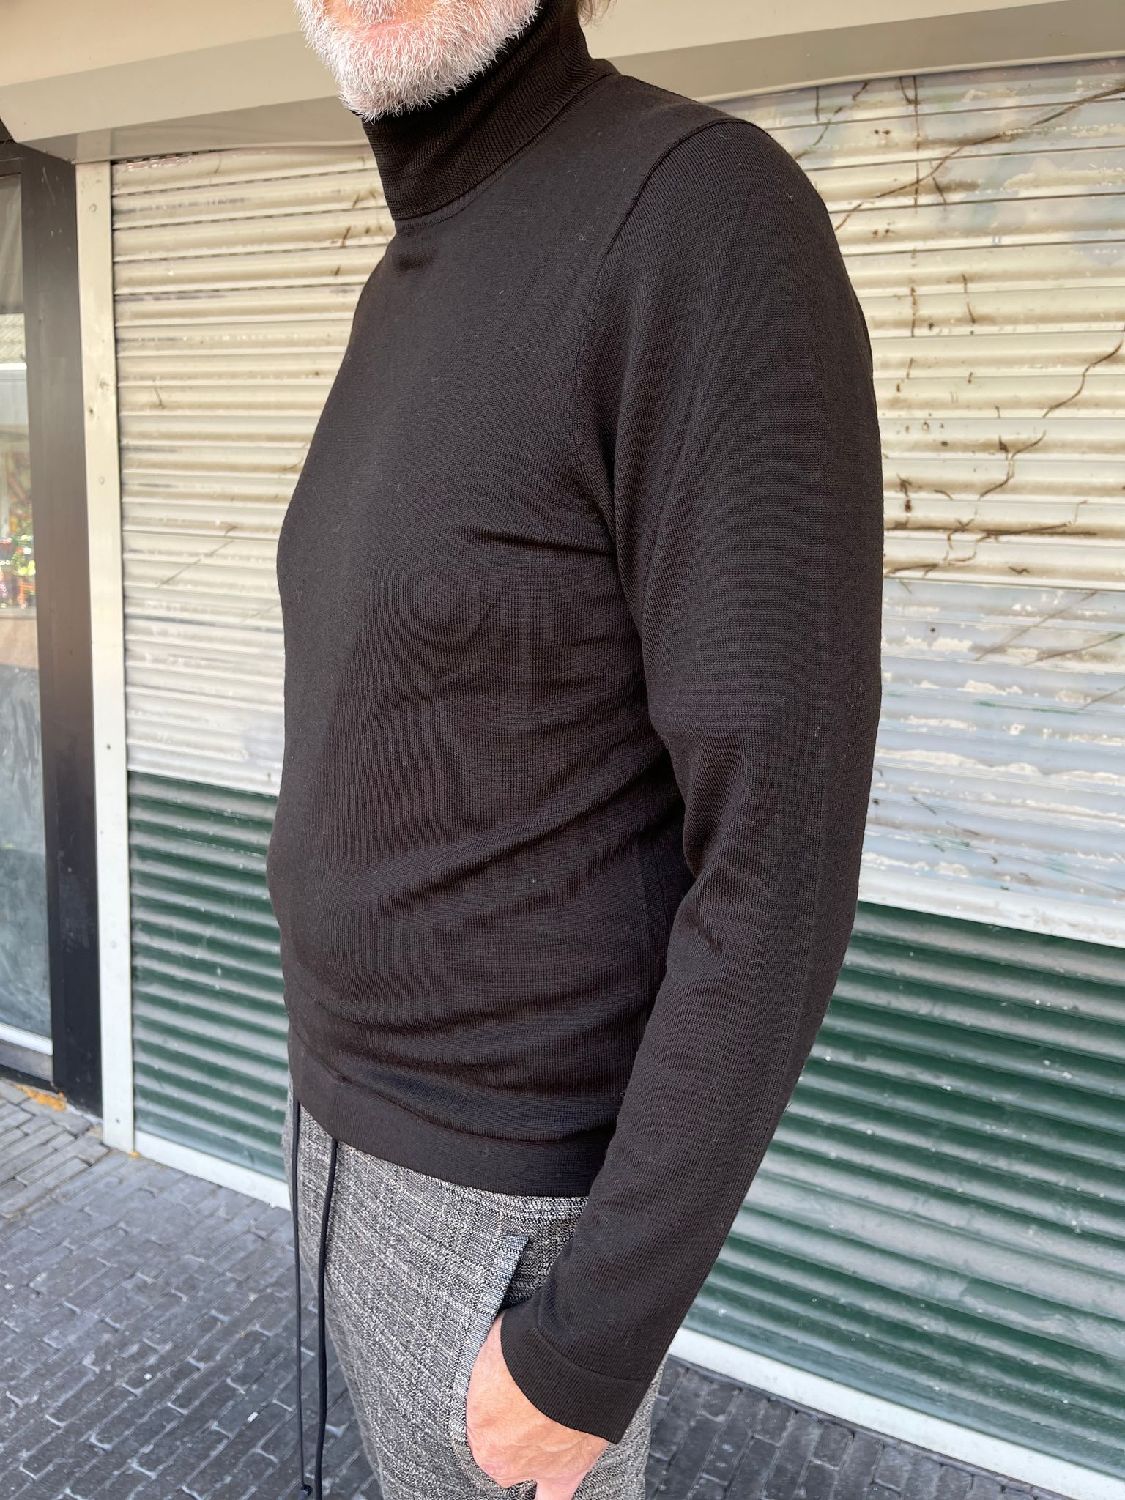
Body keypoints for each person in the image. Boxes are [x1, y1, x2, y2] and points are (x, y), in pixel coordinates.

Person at [268, 0, 884, 1496]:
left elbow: (781, 845)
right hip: (331, 1131)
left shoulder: (696, 213)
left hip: (505, 1212)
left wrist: (587, 1345)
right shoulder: (408, 273)